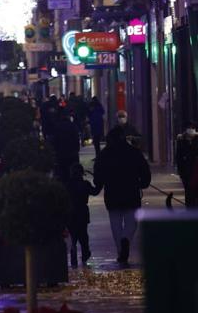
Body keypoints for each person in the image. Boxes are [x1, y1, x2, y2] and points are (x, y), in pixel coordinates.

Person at [93, 126, 151, 265]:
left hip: (112, 194)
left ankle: (121, 251)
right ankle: (126, 239)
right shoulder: (134, 152)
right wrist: (143, 183)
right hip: (131, 192)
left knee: (115, 223)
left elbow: (98, 174)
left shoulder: (104, 154)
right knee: (132, 221)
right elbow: (144, 171)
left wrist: (98, 184)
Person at [66, 163, 99, 268]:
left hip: (70, 213)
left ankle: (73, 256)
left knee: (73, 237)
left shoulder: (67, 185)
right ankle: (85, 253)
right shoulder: (85, 184)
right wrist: (98, 181)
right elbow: (95, 191)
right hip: (82, 212)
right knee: (83, 235)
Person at [52, 109, 80, 183]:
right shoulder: (72, 126)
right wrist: (77, 149)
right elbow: (76, 138)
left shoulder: (57, 127)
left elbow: (55, 141)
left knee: (63, 174)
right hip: (72, 153)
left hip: (61, 153)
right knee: (73, 173)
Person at [175, 123, 198, 206]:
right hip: (186, 172)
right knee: (188, 193)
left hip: (195, 171)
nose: (191, 129)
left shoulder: (196, 139)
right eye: (189, 128)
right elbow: (178, 157)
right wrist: (181, 172)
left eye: (192, 128)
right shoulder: (181, 140)